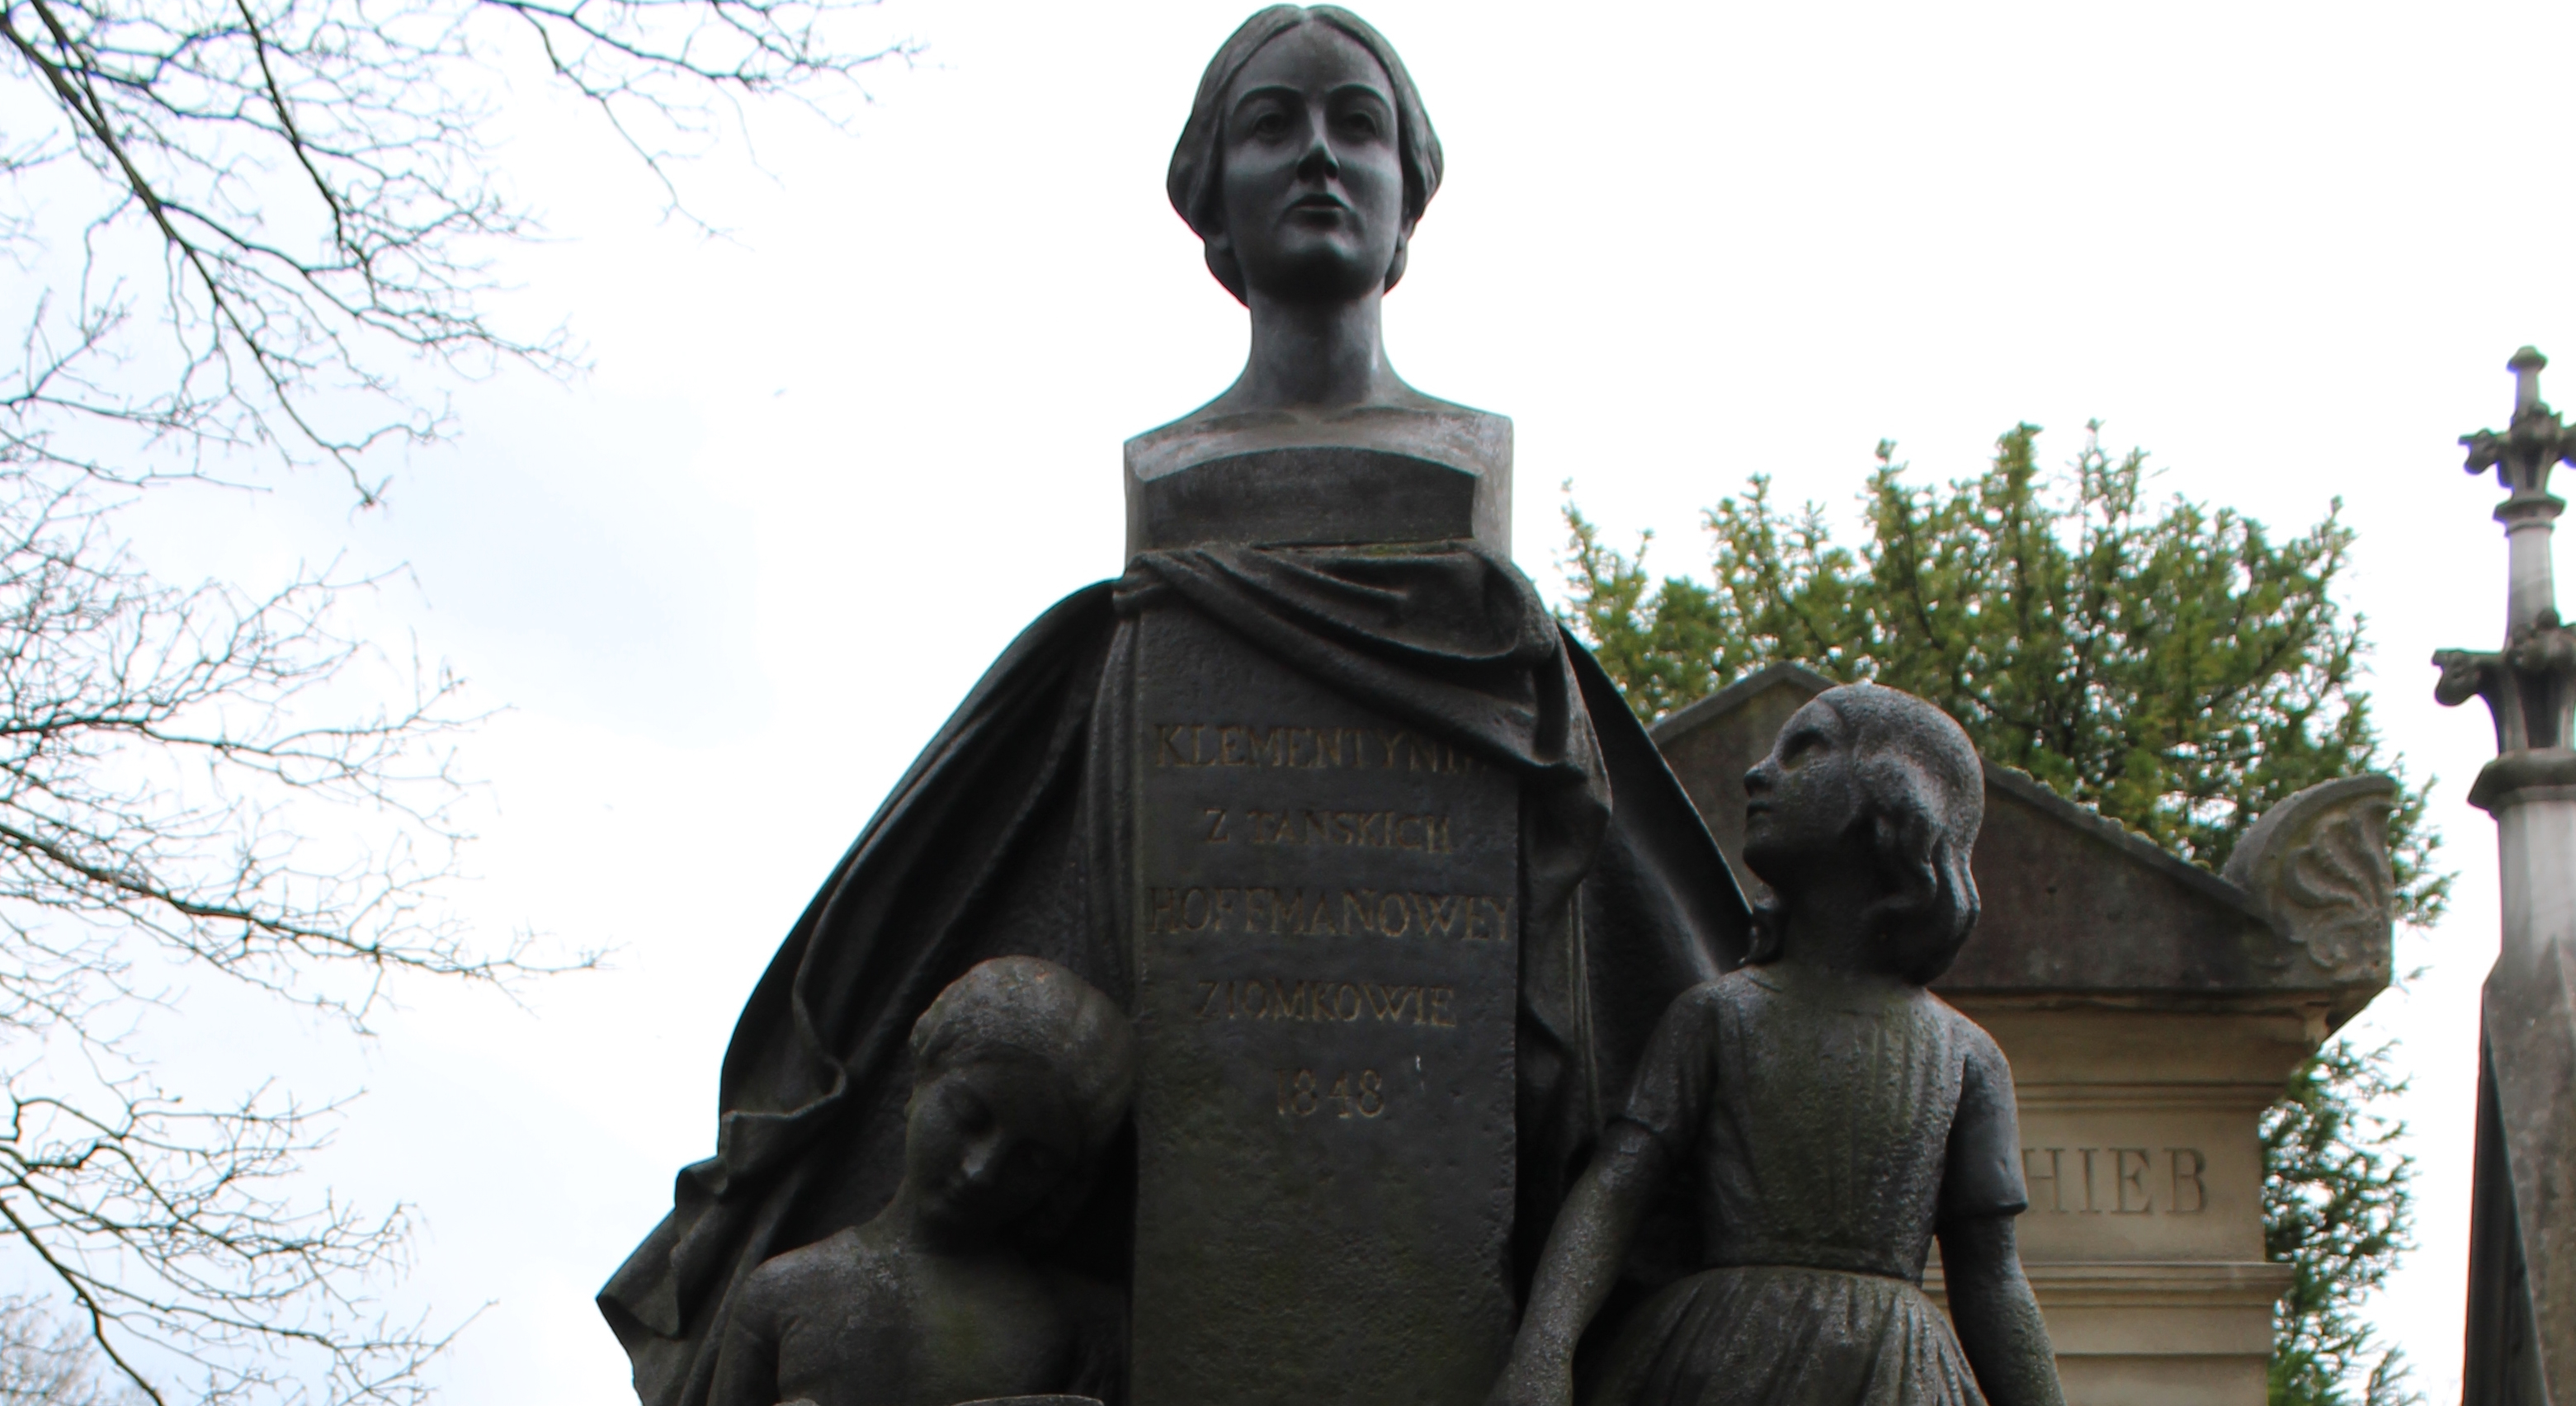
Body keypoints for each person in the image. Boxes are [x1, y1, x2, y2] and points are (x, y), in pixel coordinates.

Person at [598, 12, 1751, 1404]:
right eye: (1270, 125)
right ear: (1209, 200)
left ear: (1405, 207)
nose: (1317, 155)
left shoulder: (1458, 480)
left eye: (1355, 125)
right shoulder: (1168, 502)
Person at [1489, 685, 2068, 1406]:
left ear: (1894, 800)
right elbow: (1615, 1190)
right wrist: (1544, 1353)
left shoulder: (1965, 1057)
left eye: (1805, 751)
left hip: (1894, 1378)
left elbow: (1992, 1278)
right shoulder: (1716, 1018)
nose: (1757, 774)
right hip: (1723, 1361)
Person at [707, 958, 1133, 1406]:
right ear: (921, 1078)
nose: (981, 1170)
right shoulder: (782, 1294)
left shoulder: (1077, 1325)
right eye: (970, 1117)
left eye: (1031, 1161)